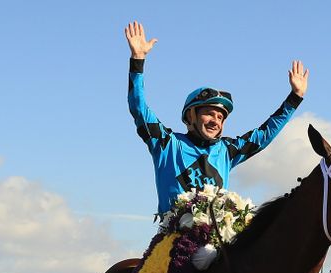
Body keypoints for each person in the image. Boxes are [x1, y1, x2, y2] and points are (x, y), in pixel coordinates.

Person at [124, 20, 308, 214]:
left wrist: (294, 98)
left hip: (216, 238)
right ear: (190, 116)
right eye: (209, 114)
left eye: (220, 117)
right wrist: (137, 60)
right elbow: (138, 107)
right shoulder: (167, 144)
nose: (215, 121)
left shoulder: (227, 151)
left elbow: (263, 135)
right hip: (172, 239)